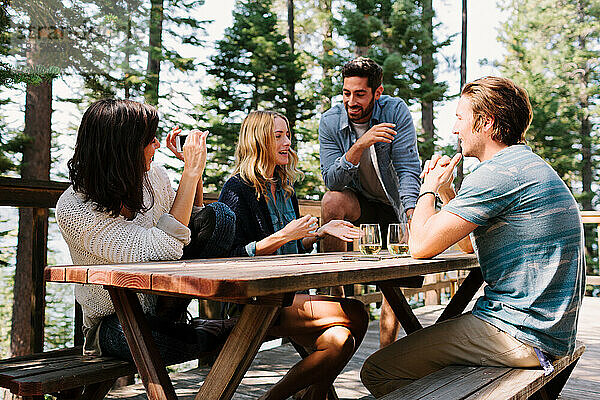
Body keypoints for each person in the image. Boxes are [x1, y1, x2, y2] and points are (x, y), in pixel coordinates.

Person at [360, 76, 586, 398]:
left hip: (519, 332)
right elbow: (468, 245)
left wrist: (427, 189)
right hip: (549, 331)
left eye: (460, 118)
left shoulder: (496, 173)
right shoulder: (523, 165)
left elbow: (421, 247)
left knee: (378, 371)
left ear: (487, 122)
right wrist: (449, 192)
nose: (454, 129)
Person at [56, 99, 235, 364]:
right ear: (123, 146)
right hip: (113, 319)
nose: (158, 145)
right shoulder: (73, 208)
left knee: (221, 217)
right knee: (158, 345)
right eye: (150, 139)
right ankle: (226, 330)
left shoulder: (154, 177)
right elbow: (159, 251)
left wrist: (195, 175)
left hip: (163, 301)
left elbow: (190, 227)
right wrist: (189, 172)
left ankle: (201, 329)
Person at [219, 110, 369, 400]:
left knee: (340, 341)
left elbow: (293, 247)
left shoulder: (285, 188)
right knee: (356, 312)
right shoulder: (237, 188)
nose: (287, 142)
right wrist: (283, 235)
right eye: (278, 136)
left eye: (287, 135)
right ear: (258, 141)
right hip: (258, 299)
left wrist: (320, 232)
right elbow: (231, 256)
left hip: (293, 295)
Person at [318, 57, 421, 347]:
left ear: (377, 93)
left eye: (360, 94)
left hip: (395, 202)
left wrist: (411, 211)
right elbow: (332, 180)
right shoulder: (330, 121)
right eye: (346, 93)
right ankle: (334, 300)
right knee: (331, 201)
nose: (351, 101)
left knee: (395, 278)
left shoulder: (395, 111)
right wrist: (360, 145)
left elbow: (407, 168)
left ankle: (386, 353)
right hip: (361, 202)